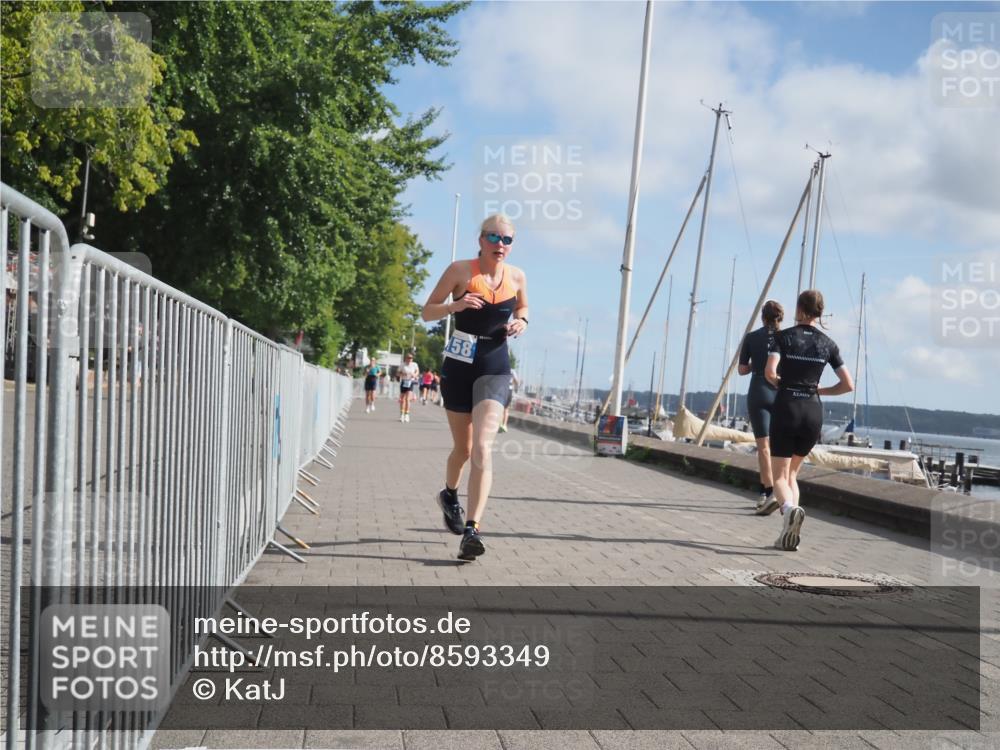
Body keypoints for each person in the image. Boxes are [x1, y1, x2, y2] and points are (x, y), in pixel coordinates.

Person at [421, 214, 528, 561]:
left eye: (507, 239)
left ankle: (472, 530)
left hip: (495, 366)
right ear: (480, 240)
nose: (500, 244)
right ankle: (449, 494)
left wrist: (521, 321)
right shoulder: (459, 271)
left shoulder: (517, 276)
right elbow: (427, 312)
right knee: (463, 450)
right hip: (460, 364)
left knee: (483, 447)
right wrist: (455, 305)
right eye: (494, 237)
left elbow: (523, 305)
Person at [763, 289, 853, 551]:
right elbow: (848, 384)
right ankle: (787, 534)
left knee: (779, 476)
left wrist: (781, 382)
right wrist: (819, 390)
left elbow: (770, 372)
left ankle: (789, 510)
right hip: (813, 412)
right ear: (819, 313)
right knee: (793, 474)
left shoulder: (782, 337)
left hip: (787, 407)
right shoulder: (829, 344)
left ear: (800, 310)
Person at [738, 300, 783, 511]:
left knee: (763, 447)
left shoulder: (751, 337)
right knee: (781, 447)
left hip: (759, 391)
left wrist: (758, 363)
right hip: (781, 392)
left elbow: (741, 370)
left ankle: (767, 490)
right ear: (780, 318)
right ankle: (782, 491)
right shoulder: (787, 338)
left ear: (763, 317)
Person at [397, 352, 419, 422]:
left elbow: (417, 371)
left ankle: (407, 414)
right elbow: (398, 373)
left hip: (410, 382)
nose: (410, 359)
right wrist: (403, 373)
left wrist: (414, 375)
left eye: (411, 358)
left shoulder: (414, 364)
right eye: (408, 358)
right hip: (404, 381)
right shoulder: (402, 365)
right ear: (406, 358)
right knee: (402, 399)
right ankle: (401, 414)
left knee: (407, 399)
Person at [499, 368, 519, 432]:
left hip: (502, 389)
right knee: (506, 408)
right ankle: (504, 425)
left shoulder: (502, 369)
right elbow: (517, 381)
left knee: (501, 407)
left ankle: (500, 424)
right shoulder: (512, 371)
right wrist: (515, 386)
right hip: (509, 390)